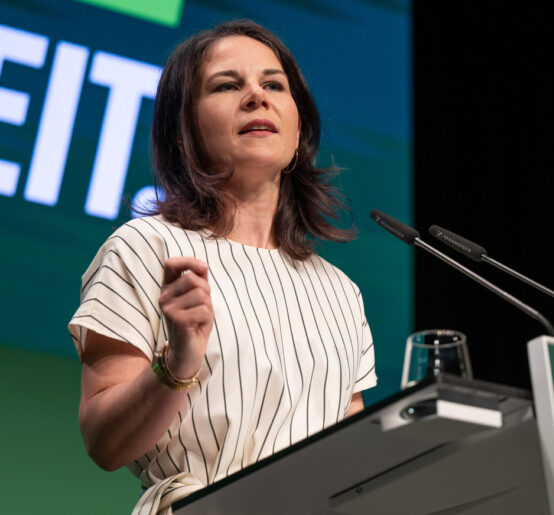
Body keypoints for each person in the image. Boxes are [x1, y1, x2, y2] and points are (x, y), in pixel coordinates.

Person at [68, 20, 377, 515]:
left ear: (300, 129)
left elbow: (352, 458)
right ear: (185, 128)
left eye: (274, 85)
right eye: (228, 85)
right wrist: (177, 364)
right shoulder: (146, 247)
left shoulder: (339, 291)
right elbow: (104, 443)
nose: (257, 96)